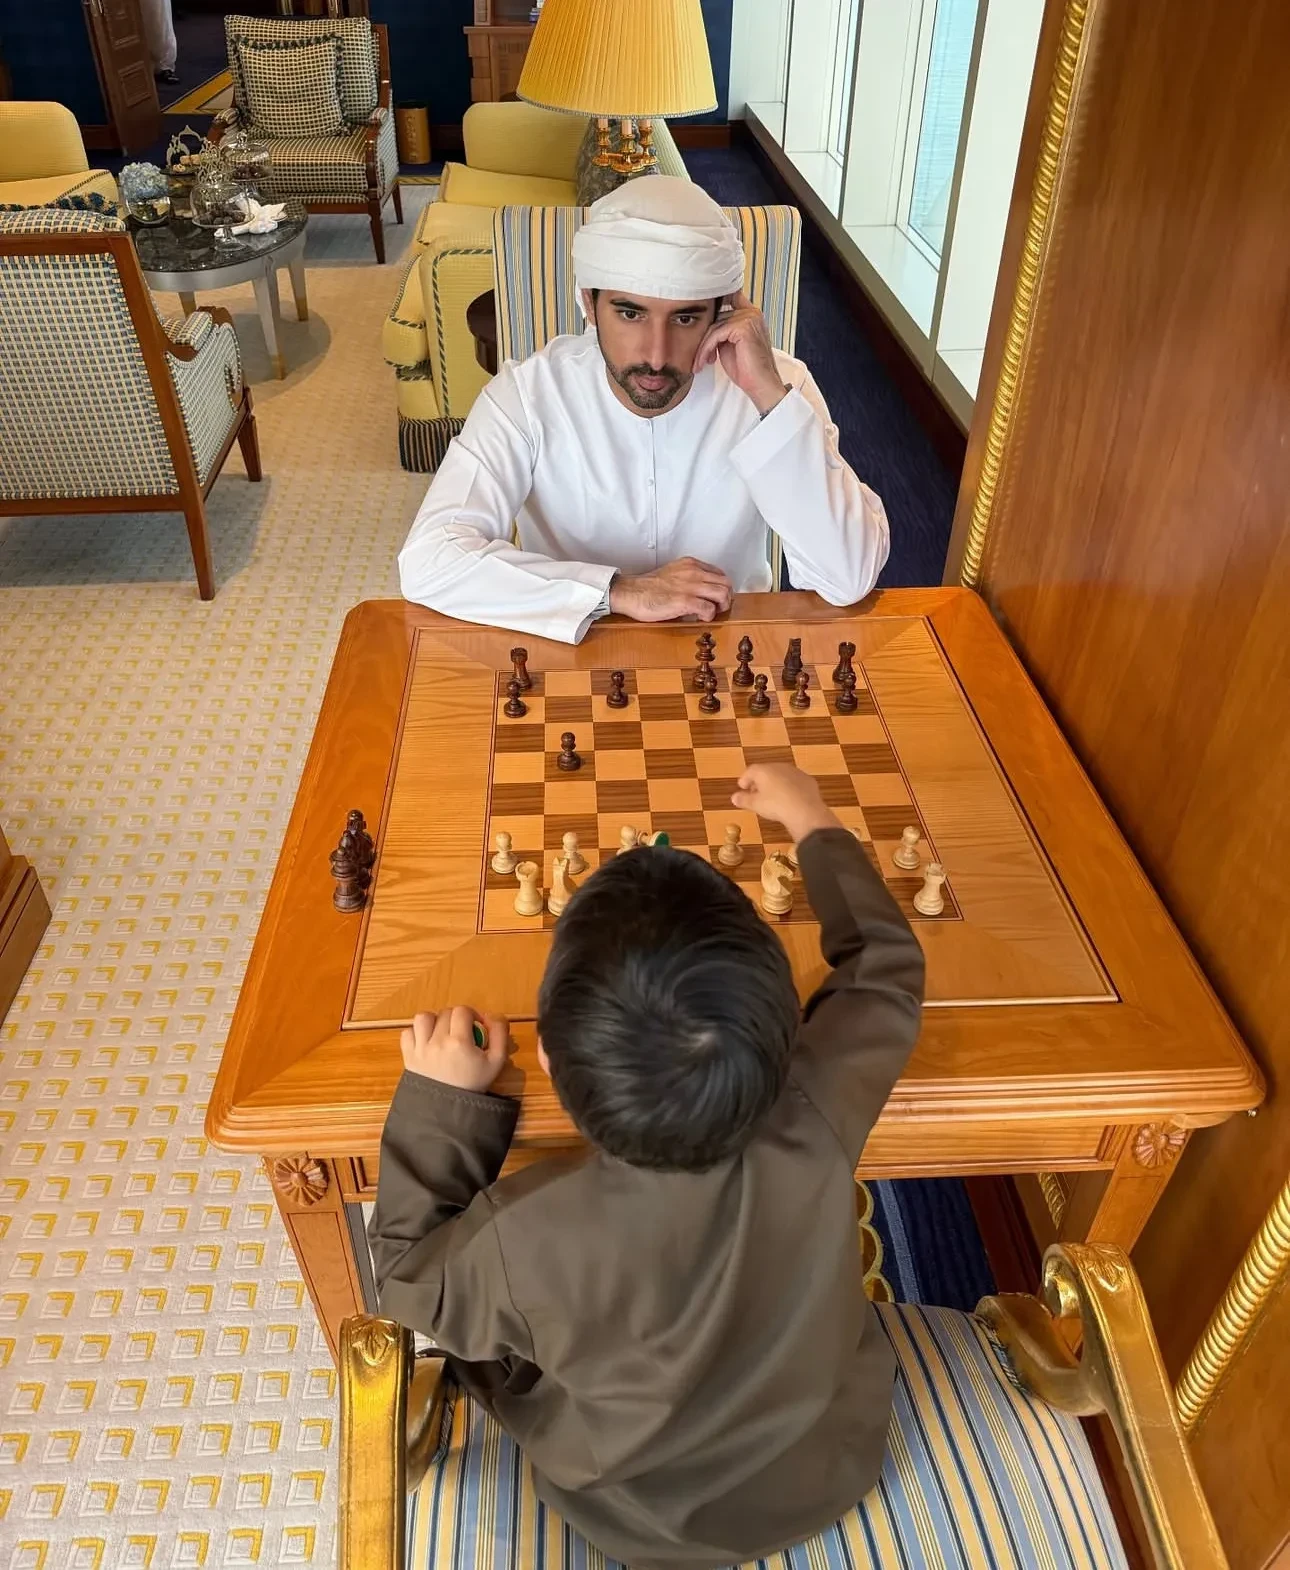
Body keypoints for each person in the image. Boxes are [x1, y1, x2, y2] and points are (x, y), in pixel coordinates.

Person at [369, 764, 925, 1570]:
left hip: (646, 1525)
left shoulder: (524, 1236)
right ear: (785, 1033)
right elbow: (886, 969)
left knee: (480, 1344)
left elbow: (405, 1277)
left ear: (549, 1061)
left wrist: (443, 1101)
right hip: (831, 1467)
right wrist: (812, 819)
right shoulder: (819, 1100)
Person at [397, 178, 890, 644]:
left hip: (729, 654)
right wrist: (618, 591)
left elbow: (848, 577)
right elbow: (429, 560)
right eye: (630, 313)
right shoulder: (527, 396)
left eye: (686, 317)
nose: (656, 355)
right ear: (589, 303)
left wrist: (769, 400)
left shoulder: (779, 387)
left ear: (723, 311)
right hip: (576, 651)